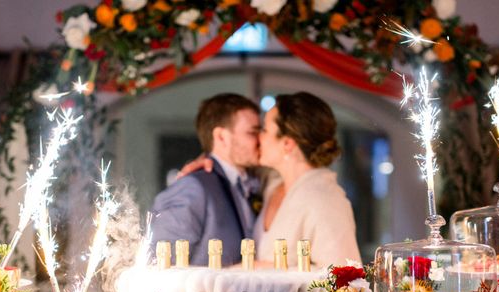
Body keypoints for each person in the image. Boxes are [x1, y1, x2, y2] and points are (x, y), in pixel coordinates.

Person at [149, 93, 261, 266]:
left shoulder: (252, 182)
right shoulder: (193, 187)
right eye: (253, 132)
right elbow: (161, 265)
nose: (260, 139)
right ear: (221, 137)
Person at [254, 92, 361, 267]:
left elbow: (343, 279)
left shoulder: (325, 200)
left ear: (287, 144)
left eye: (265, 129)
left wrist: (265, 270)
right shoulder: (272, 184)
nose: (259, 137)